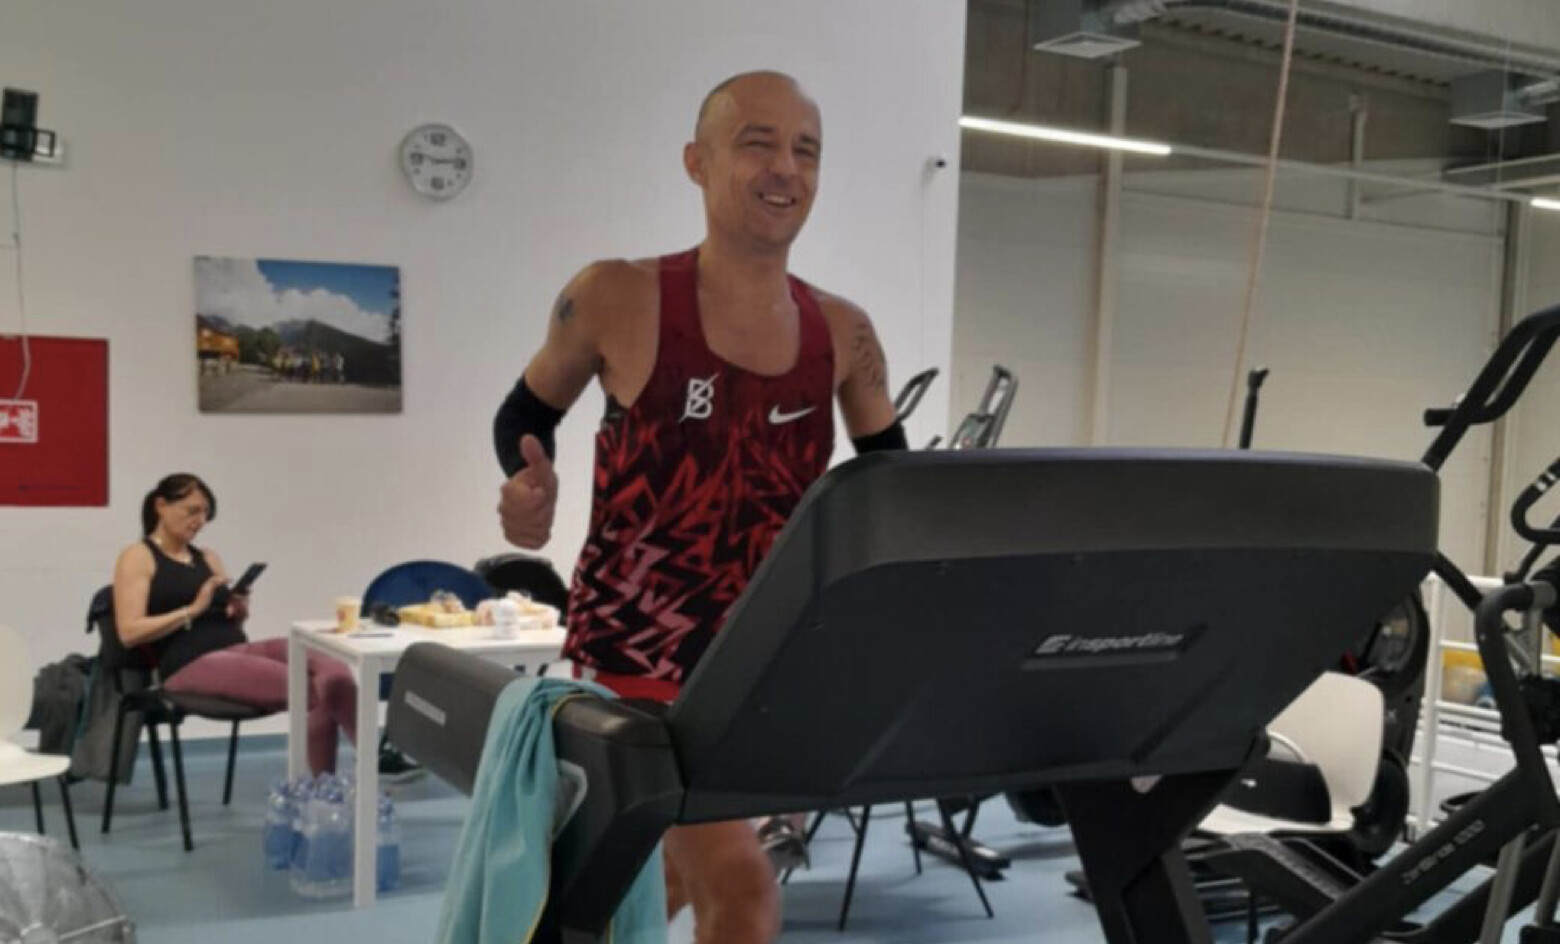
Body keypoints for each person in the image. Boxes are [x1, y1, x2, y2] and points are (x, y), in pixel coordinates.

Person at [492, 71, 907, 944]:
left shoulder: (844, 330)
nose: (785, 167)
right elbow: (524, 414)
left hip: (762, 658)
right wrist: (528, 486)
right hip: (636, 654)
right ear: (697, 161)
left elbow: (889, 481)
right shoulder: (616, 294)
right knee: (743, 889)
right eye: (759, 142)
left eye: (806, 150)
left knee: (668, 871)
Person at [111, 473, 357, 775]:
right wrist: (192, 610)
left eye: (205, 514)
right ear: (161, 505)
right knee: (313, 690)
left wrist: (239, 610)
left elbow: (231, 620)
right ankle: (323, 788)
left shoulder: (208, 557)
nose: (200, 521)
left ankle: (370, 763)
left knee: (332, 668)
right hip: (188, 663)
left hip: (235, 649)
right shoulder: (138, 556)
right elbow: (129, 632)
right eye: (192, 511)